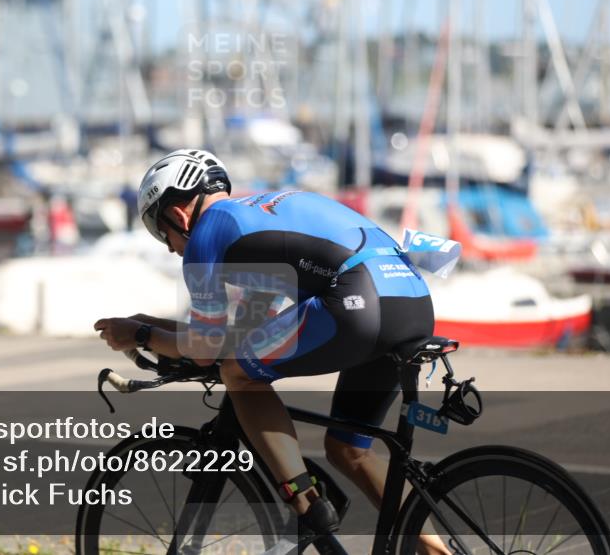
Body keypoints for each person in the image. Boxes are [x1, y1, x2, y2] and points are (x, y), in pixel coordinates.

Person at [95, 149, 449, 555]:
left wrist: (141, 334)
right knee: (349, 450)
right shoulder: (258, 220)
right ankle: (437, 552)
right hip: (412, 302)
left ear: (178, 214)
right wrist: (155, 328)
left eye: (162, 234)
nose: (172, 249)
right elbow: (238, 333)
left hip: (361, 304)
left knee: (238, 374)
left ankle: (307, 504)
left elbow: (208, 351)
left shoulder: (208, 233)